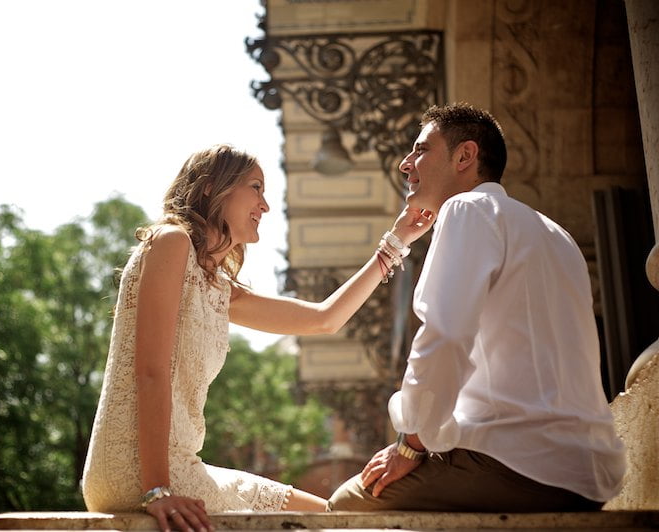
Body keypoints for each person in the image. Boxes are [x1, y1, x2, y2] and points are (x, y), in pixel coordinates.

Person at [81, 144, 434, 531]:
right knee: (335, 524)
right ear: (211, 187)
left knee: (335, 517)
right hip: (138, 471)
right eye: (255, 187)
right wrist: (157, 491)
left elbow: (324, 319)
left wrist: (398, 240)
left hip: (178, 468)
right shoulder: (171, 241)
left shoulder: (217, 287)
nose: (265, 205)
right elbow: (150, 372)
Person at [327, 103, 627, 512]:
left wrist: (411, 443)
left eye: (421, 149)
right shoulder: (558, 234)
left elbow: (446, 336)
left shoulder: (466, 209)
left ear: (465, 156)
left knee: (348, 504)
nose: (405, 164)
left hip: (519, 463)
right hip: (589, 474)